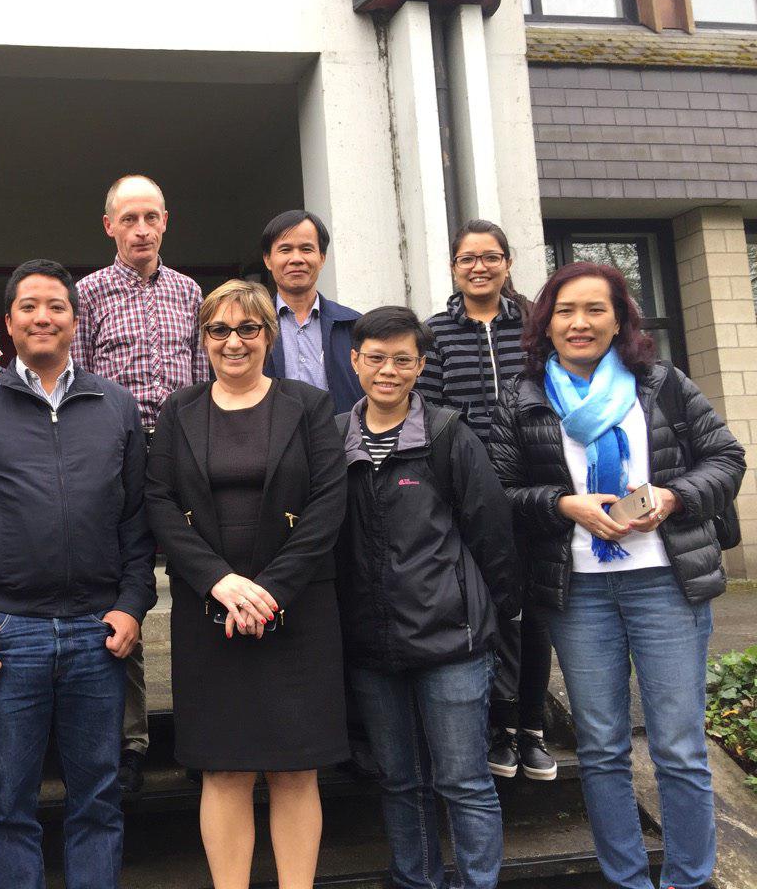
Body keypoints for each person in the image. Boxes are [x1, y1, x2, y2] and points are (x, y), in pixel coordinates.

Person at [491, 262, 746, 889]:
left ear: (618, 318)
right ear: (545, 321)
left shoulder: (659, 384)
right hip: (578, 592)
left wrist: (675, 497)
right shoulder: (524, 398)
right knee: (602, 748)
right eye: (565, 310)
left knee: (679, 749)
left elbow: (727, 458)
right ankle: (627, 880)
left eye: (594, 310)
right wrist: (562, 504)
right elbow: (499, 492)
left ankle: (689, 880)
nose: (579, 322)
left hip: (666, 581)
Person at [0, 259, 156, 889]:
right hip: (5, 634)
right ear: (6, 322)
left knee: (97, 800)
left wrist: (133, 605)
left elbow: (137, 522)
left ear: (75, 321)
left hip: (97, 632)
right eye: (28, 306)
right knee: (6, 807)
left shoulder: (115, 407)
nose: (42, 317)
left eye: (56, 306)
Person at [144, 279, 349, 889]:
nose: (234, 342)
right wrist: (221, 582)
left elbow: (327, 505)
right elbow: (158, 501)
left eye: (248, 329)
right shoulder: (178, 410)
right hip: (211, 615)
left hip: (300, 611)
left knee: (295, 769)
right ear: (203, 339)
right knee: (224, 769)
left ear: (270, 334)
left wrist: (270, 590)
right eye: (219, 330)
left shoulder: (309, 406)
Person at [337, 306, 518, 889]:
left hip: (452, 642)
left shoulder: (447, 434)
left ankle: (477, 882)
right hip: (371, 644)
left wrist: (496, 613)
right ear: (354, 361)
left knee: (464, 780)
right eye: (376, 358)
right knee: (399, 780)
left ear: (420, 365)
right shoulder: (333, 441)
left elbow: (491, 530)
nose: (388, 370)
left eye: (402, 359)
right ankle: (416, 880)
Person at [72, 173, 209, 792]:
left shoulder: (190, 292)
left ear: (166, 220)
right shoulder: (88, 292)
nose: (142, 229)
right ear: (109, 226)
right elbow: (74, 381)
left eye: (151, 217)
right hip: (115, 455)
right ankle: (126, 742)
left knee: (201, 583)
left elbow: (208, 379)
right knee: (119, 592)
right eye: (129, 219)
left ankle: (206, 727)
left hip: (184, 457)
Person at [415, 219, 555, 783]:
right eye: (468, 258)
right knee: (489, 607)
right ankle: (498, 724)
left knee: (533, 610)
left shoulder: (534, 329)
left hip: (534, 483)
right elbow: (428, 412)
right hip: (469, 491)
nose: (480, 266)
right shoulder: (436, 333)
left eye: (490, 256)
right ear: (453, 267)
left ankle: (533, 726)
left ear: (507, 263)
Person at [259, 209, 363, 414]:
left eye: (306, 249)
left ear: (322, 258)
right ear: (268, 260)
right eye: (285, 250)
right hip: (274, 442)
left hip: (340, 440)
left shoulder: (353, 325)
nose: (296, 259)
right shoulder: (252, 327)